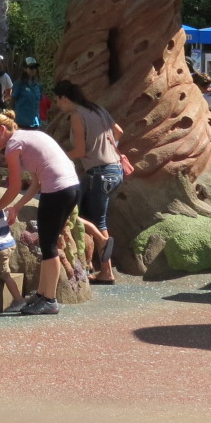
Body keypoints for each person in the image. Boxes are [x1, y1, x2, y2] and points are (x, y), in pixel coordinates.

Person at [0, 113, 81, 316]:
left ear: (1, 130)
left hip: (57, 191)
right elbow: (35, 184)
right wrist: (16, 207)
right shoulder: (31, 136)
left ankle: (50, 300)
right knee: (48, 244)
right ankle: (42, 294)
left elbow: (14, 187)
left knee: (48, 246)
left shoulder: (13, 145)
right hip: (71, 188)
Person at [52, 80, 127, 285]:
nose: (57, 105)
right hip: (115, 170)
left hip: (100, 173)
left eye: (57, 100)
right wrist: (108, 150)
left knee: (98, 221)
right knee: (88, 213)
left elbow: (79, 152)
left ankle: (106, 271)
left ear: (65, 98)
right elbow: (118, 131)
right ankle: (92, 264)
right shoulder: (98, 109)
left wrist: (54, 157)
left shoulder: (77, 115)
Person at [11, 56, 44, 129]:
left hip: (35, 122)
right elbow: (12, 101)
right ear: (25, 69)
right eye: (31, 67)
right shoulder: (19, 84)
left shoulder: (38, 86)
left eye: (35, 67)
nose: (33, 70)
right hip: (21, 122)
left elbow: (39, 103)